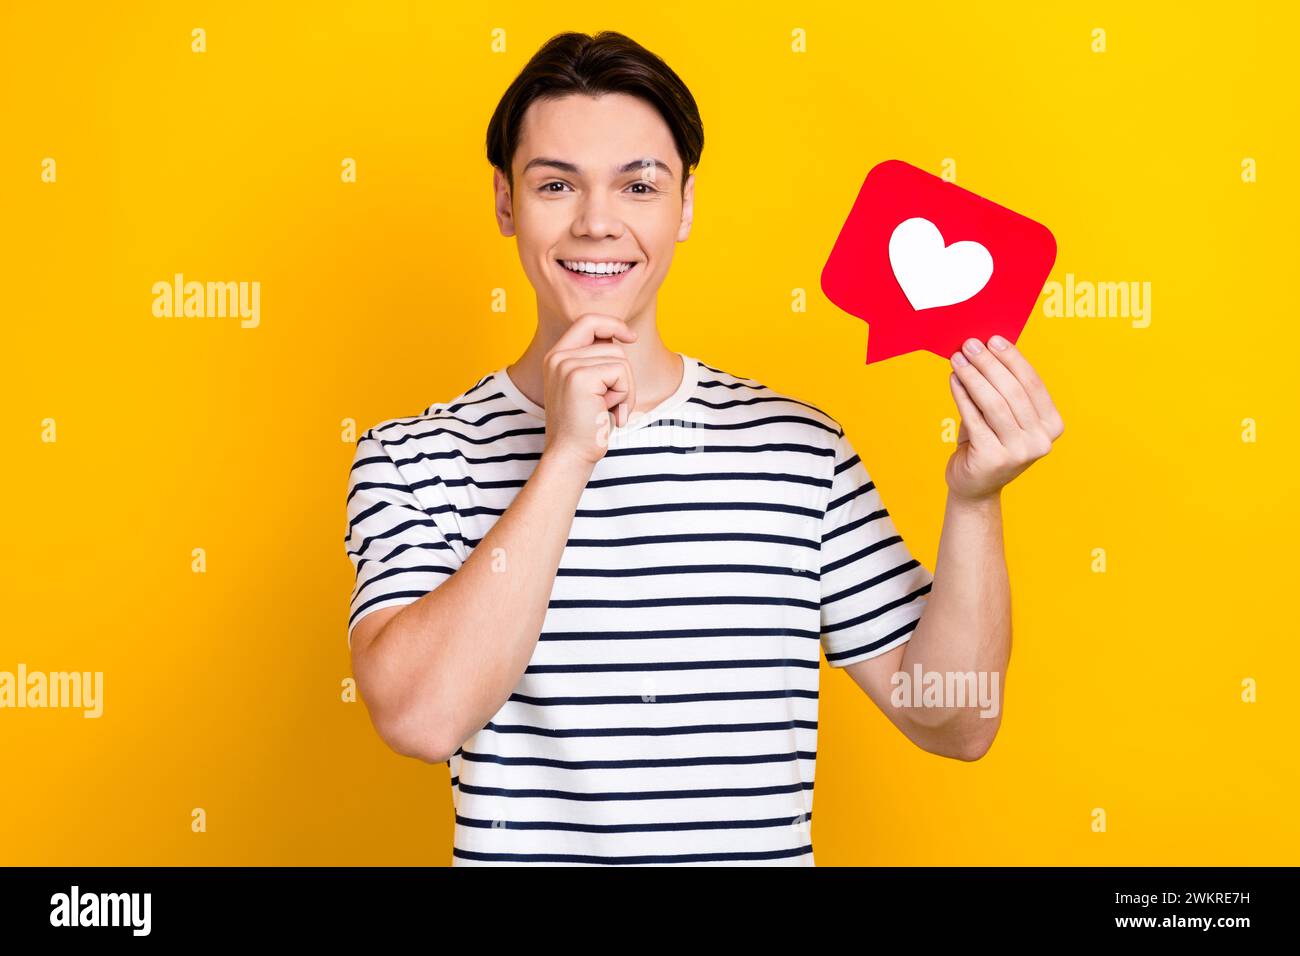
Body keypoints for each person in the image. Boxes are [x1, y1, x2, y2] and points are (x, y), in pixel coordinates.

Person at [343, 31, 1063, 866]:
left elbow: (956, 721)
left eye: (639, 185)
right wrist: (568, 455)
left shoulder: (800, 451)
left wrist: (975, 502)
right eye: (555, 185)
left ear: (684, 205)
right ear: (506, 202)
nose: (597, 222)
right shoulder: (412, 458)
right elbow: (421, 720)